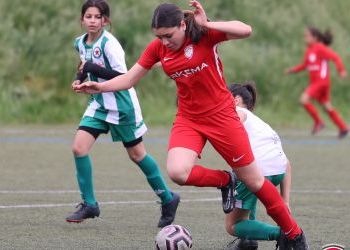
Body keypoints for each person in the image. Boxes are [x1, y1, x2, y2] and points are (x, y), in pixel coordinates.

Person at [74, 1, 309, 249]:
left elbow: (245, 29)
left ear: (182, 25)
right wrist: (99, 87)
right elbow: (129, 78)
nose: (164, 42)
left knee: (254, 182)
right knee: (178, 172)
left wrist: (207, 23)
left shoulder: (204, 35)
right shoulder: (158, 48)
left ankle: (294, 235)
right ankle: (225, 181)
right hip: (189, 119)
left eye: (168, 35)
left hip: (222, 117)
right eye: (159, 37)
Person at [66, 0, 180, 228]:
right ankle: (89, 204)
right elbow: (83, 64)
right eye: (88, 16)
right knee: (78, 148)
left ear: (105, 20)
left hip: (121, 105)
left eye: (97, 17)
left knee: (137, 155)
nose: (92, 20)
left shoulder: (110, 44)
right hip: (98, 104)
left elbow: (122, 75)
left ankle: (168, 198)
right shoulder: (80, 42)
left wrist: (92, 70)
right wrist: (79, 81)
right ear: (81, 19)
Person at [225, 83, 292, 250]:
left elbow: (233, 123)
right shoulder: (261, 123)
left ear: (236, 100)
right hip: (278, 172)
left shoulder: (238, 113)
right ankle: (248, 241)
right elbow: (287, 163)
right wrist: (285, 200)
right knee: (249, 192)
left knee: (233, 225)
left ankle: (282, 234)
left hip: (259, 170)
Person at [285, 27, 349, 139]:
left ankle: (319, 122)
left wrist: (341, 70)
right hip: (319, 83)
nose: (304, 39)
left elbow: (336, 57)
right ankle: (343, 127)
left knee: (303, 100)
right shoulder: (309, 51)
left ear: (315, 37)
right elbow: (305, 65)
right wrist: (292, 70)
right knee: (327, 107)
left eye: (307, 36)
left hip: (321, 82)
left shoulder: (320, 48)